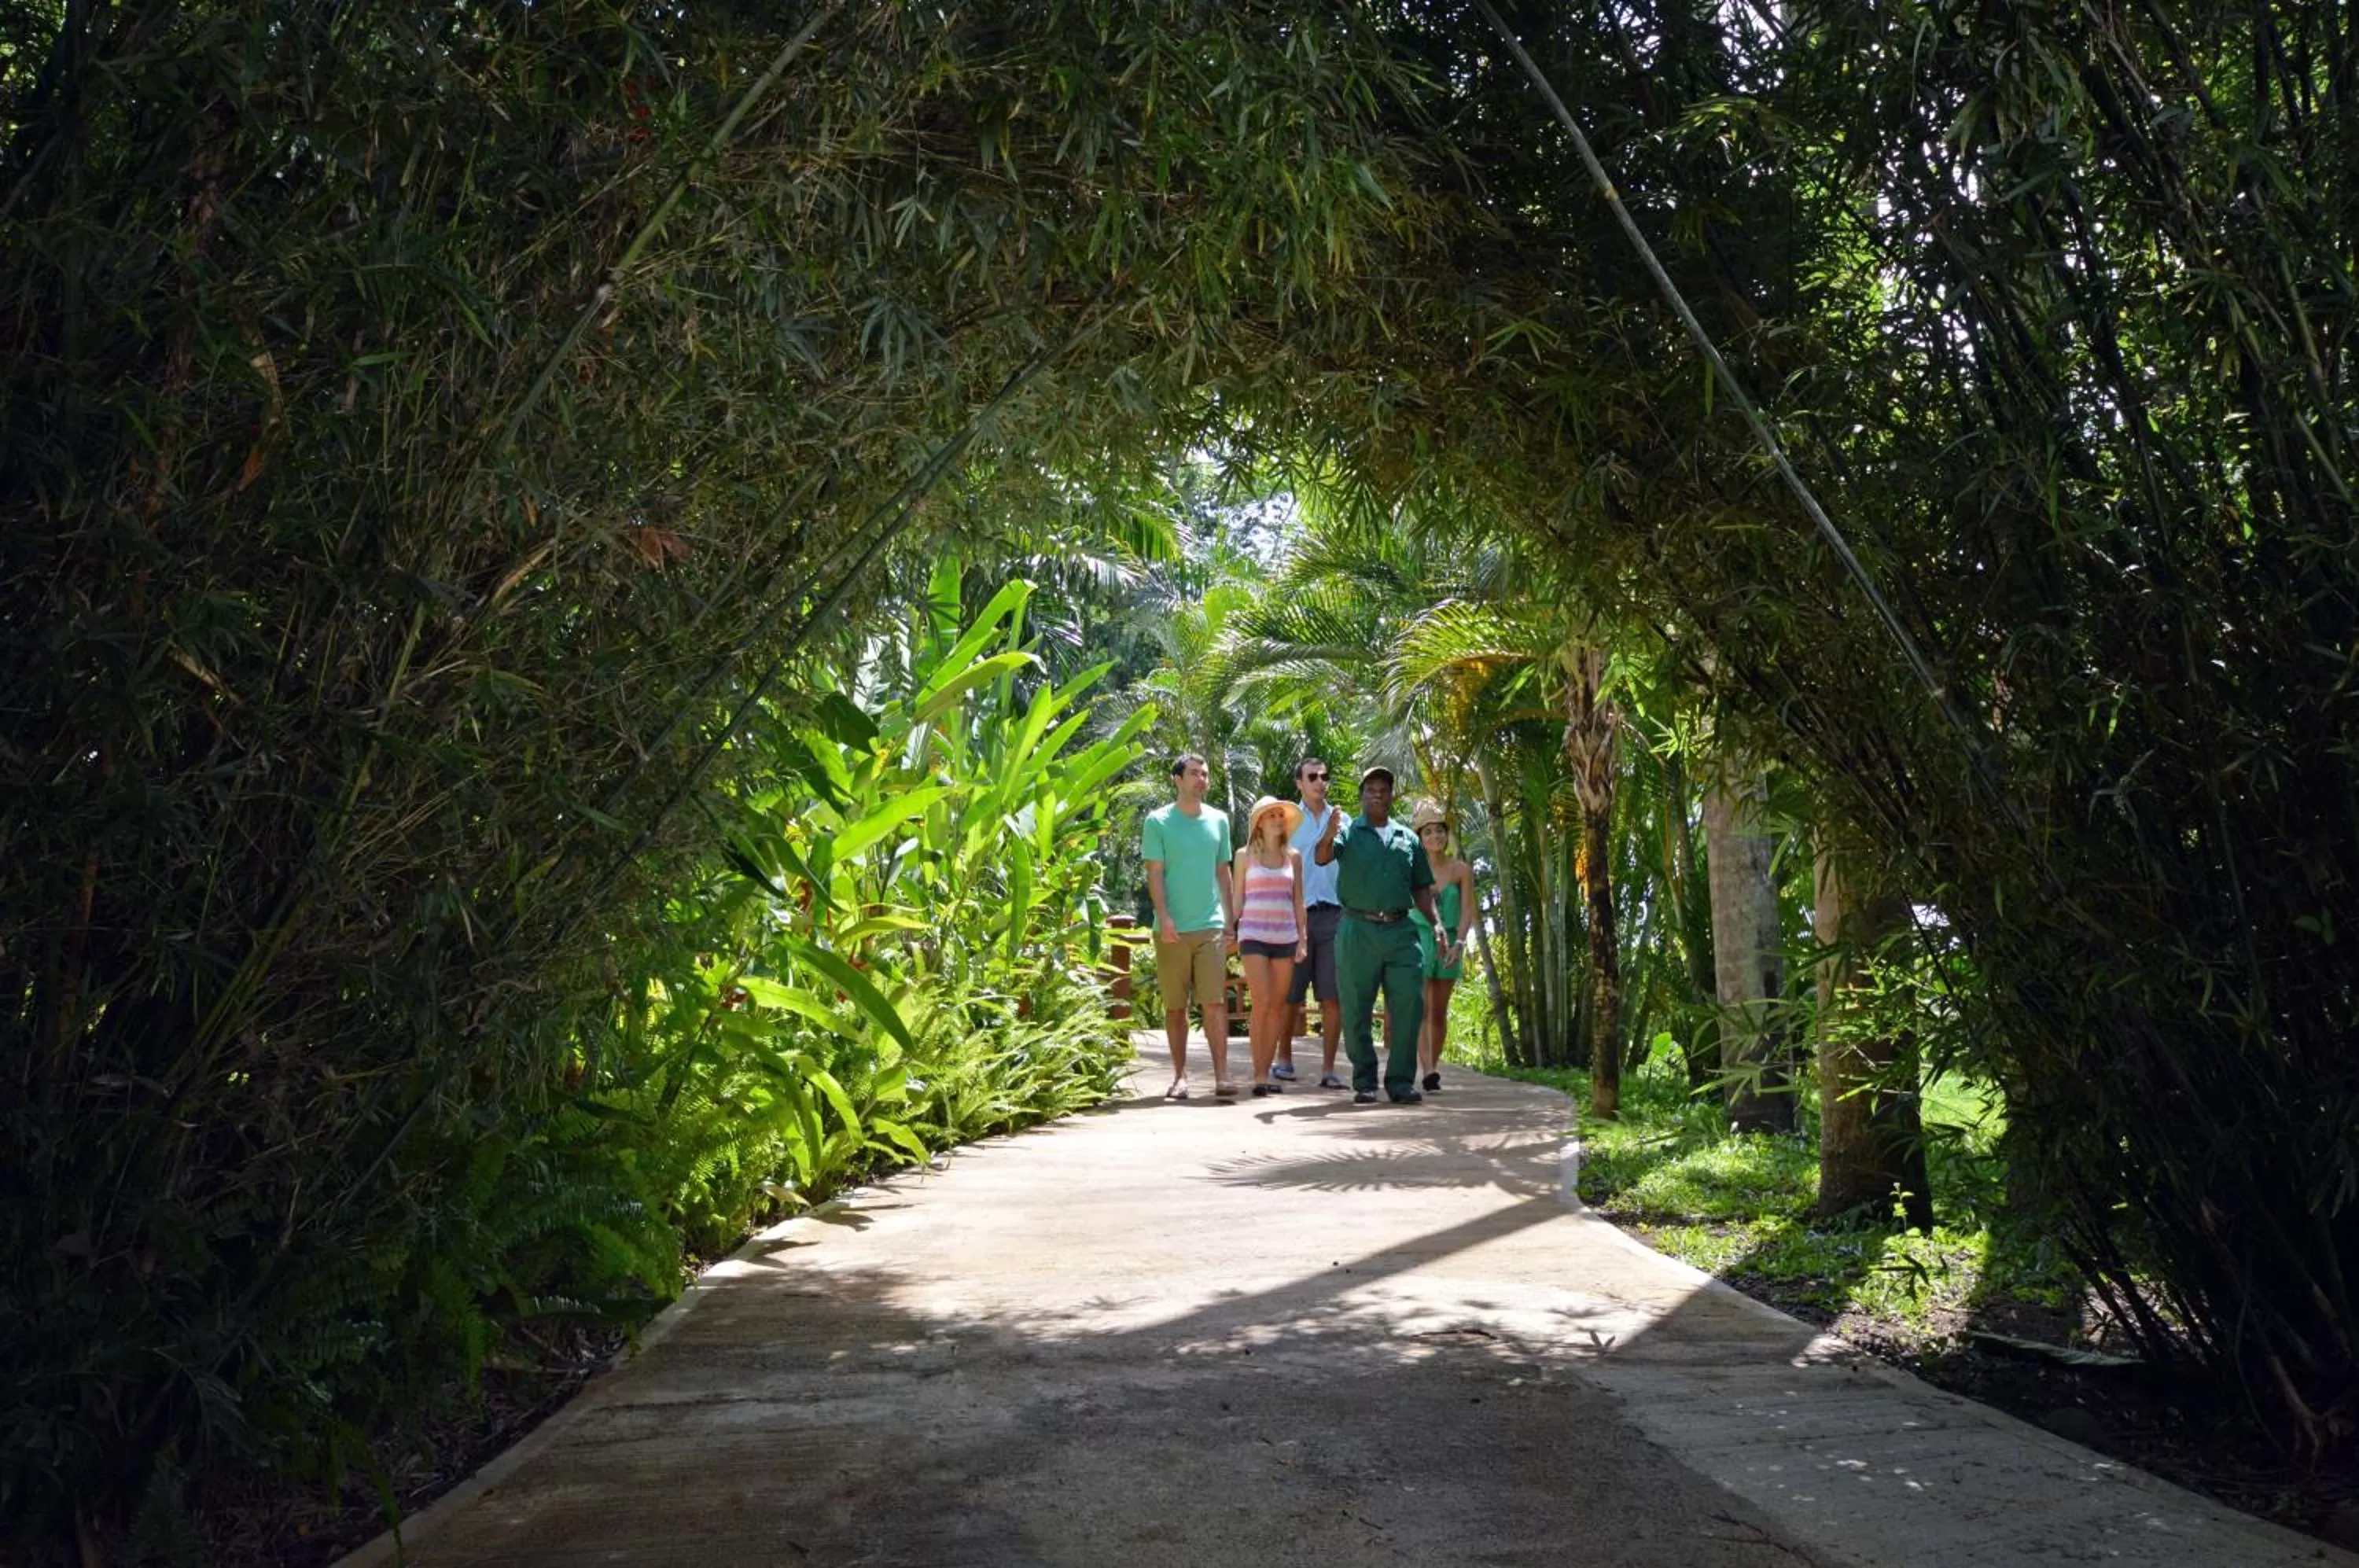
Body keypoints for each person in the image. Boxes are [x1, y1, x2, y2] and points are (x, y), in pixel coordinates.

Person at [1314, 764, 1437, 1104]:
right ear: (1361, 796)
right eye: (1370, 789)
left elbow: (1422, 888)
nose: (1378, 793)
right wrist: (1328, 832)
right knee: (1356, 1008)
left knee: (1409, 1005)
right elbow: (1322, 857)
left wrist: (1438, 924)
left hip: (1400, 930)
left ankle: (1400, 1082)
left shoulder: (1408, 838)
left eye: (1384, 788)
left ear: (1392, 795)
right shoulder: (1348, 831)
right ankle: (1365, 1080)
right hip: (1358, 929)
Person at [1142, 753, 1236, 1099]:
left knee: (1214, 1003)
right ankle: (1180, 1077)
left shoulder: (1219, 821)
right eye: (1194, 773)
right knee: (1175, 1006)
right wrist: (1164, 917)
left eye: (1205, 774)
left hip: (1210, 925)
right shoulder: (1158, 821)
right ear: (1177, 779)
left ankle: (1222, 1076)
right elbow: (1155, 873)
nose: (1202, 779)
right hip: (1171, 929)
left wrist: (1230, 918)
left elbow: (1223, 871)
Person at [1228, 796, 1308, 1097]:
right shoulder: (1243, 855)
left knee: (1277, 1007)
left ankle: (1265, 1073)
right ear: (1259, 822)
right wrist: (1228, 927)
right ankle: (1259, 1073)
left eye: (1280, 815)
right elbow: (1238, 899)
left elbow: (1298, 901)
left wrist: (1303, 939)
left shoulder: (1294, 857)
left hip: (1285, 937)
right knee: (1261, 1003)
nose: (1277, 819)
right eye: (1271, 814)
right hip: (1253, 935)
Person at [1277, 756, 1347, 1088]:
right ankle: (1284, 1060)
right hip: (1296, 915)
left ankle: (1329, 1069)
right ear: (1299, 783)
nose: (1320, 781)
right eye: (1313, 776)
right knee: (1291, 994)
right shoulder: (1289, 821)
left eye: (1324, 776)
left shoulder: (1343, 820)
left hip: (1335, 914)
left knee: (1332, 997)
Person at [1408, 801, 1478, 1094]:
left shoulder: (1460, 870)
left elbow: (1466, 911)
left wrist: (1459, 944)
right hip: (1419, 938)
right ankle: (1428, 1069)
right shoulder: (1412, 867)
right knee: (1421, 1007)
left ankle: (1433, 1065)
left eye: (1440, 831)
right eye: (1429, 832)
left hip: (1450, 942)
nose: (1435, 837)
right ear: (1420, 837)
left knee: (1439, 1010)